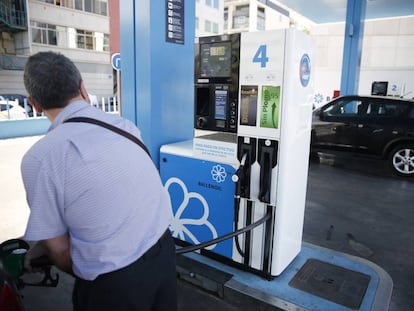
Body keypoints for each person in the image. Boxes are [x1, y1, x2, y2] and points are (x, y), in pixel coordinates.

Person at [21, 51, 177, 311]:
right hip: (163, 257)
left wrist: (96, 269)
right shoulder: (124, 127)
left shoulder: (41, 157)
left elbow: (57, 249)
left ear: (34, 104)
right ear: (82, 88)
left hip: (114, 285)